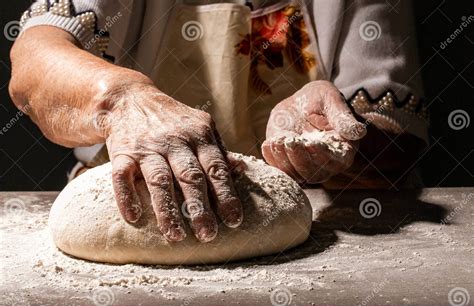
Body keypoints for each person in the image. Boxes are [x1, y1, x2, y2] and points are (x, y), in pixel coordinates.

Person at [9, 0, 428, 243]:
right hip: (129, 199)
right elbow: (34, 59)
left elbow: (398, 139)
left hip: (321, 217)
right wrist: (124, 101)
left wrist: (341, 137)